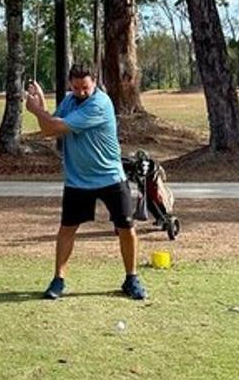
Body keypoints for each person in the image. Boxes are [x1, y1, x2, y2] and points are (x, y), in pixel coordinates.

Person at [24, 64, 147, 301]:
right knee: (67, 229)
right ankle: (58, 279)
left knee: (126, 228)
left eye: (85, 87)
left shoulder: (100, 103)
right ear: (70, 83)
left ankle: (132, 278)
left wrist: (37, 110)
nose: (81, 92)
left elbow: (56, 125)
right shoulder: (70, 101)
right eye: (76, 87)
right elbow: (49, 131)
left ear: (95, 82)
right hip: (78, 179)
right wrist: (41, 106)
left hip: (110, 176)